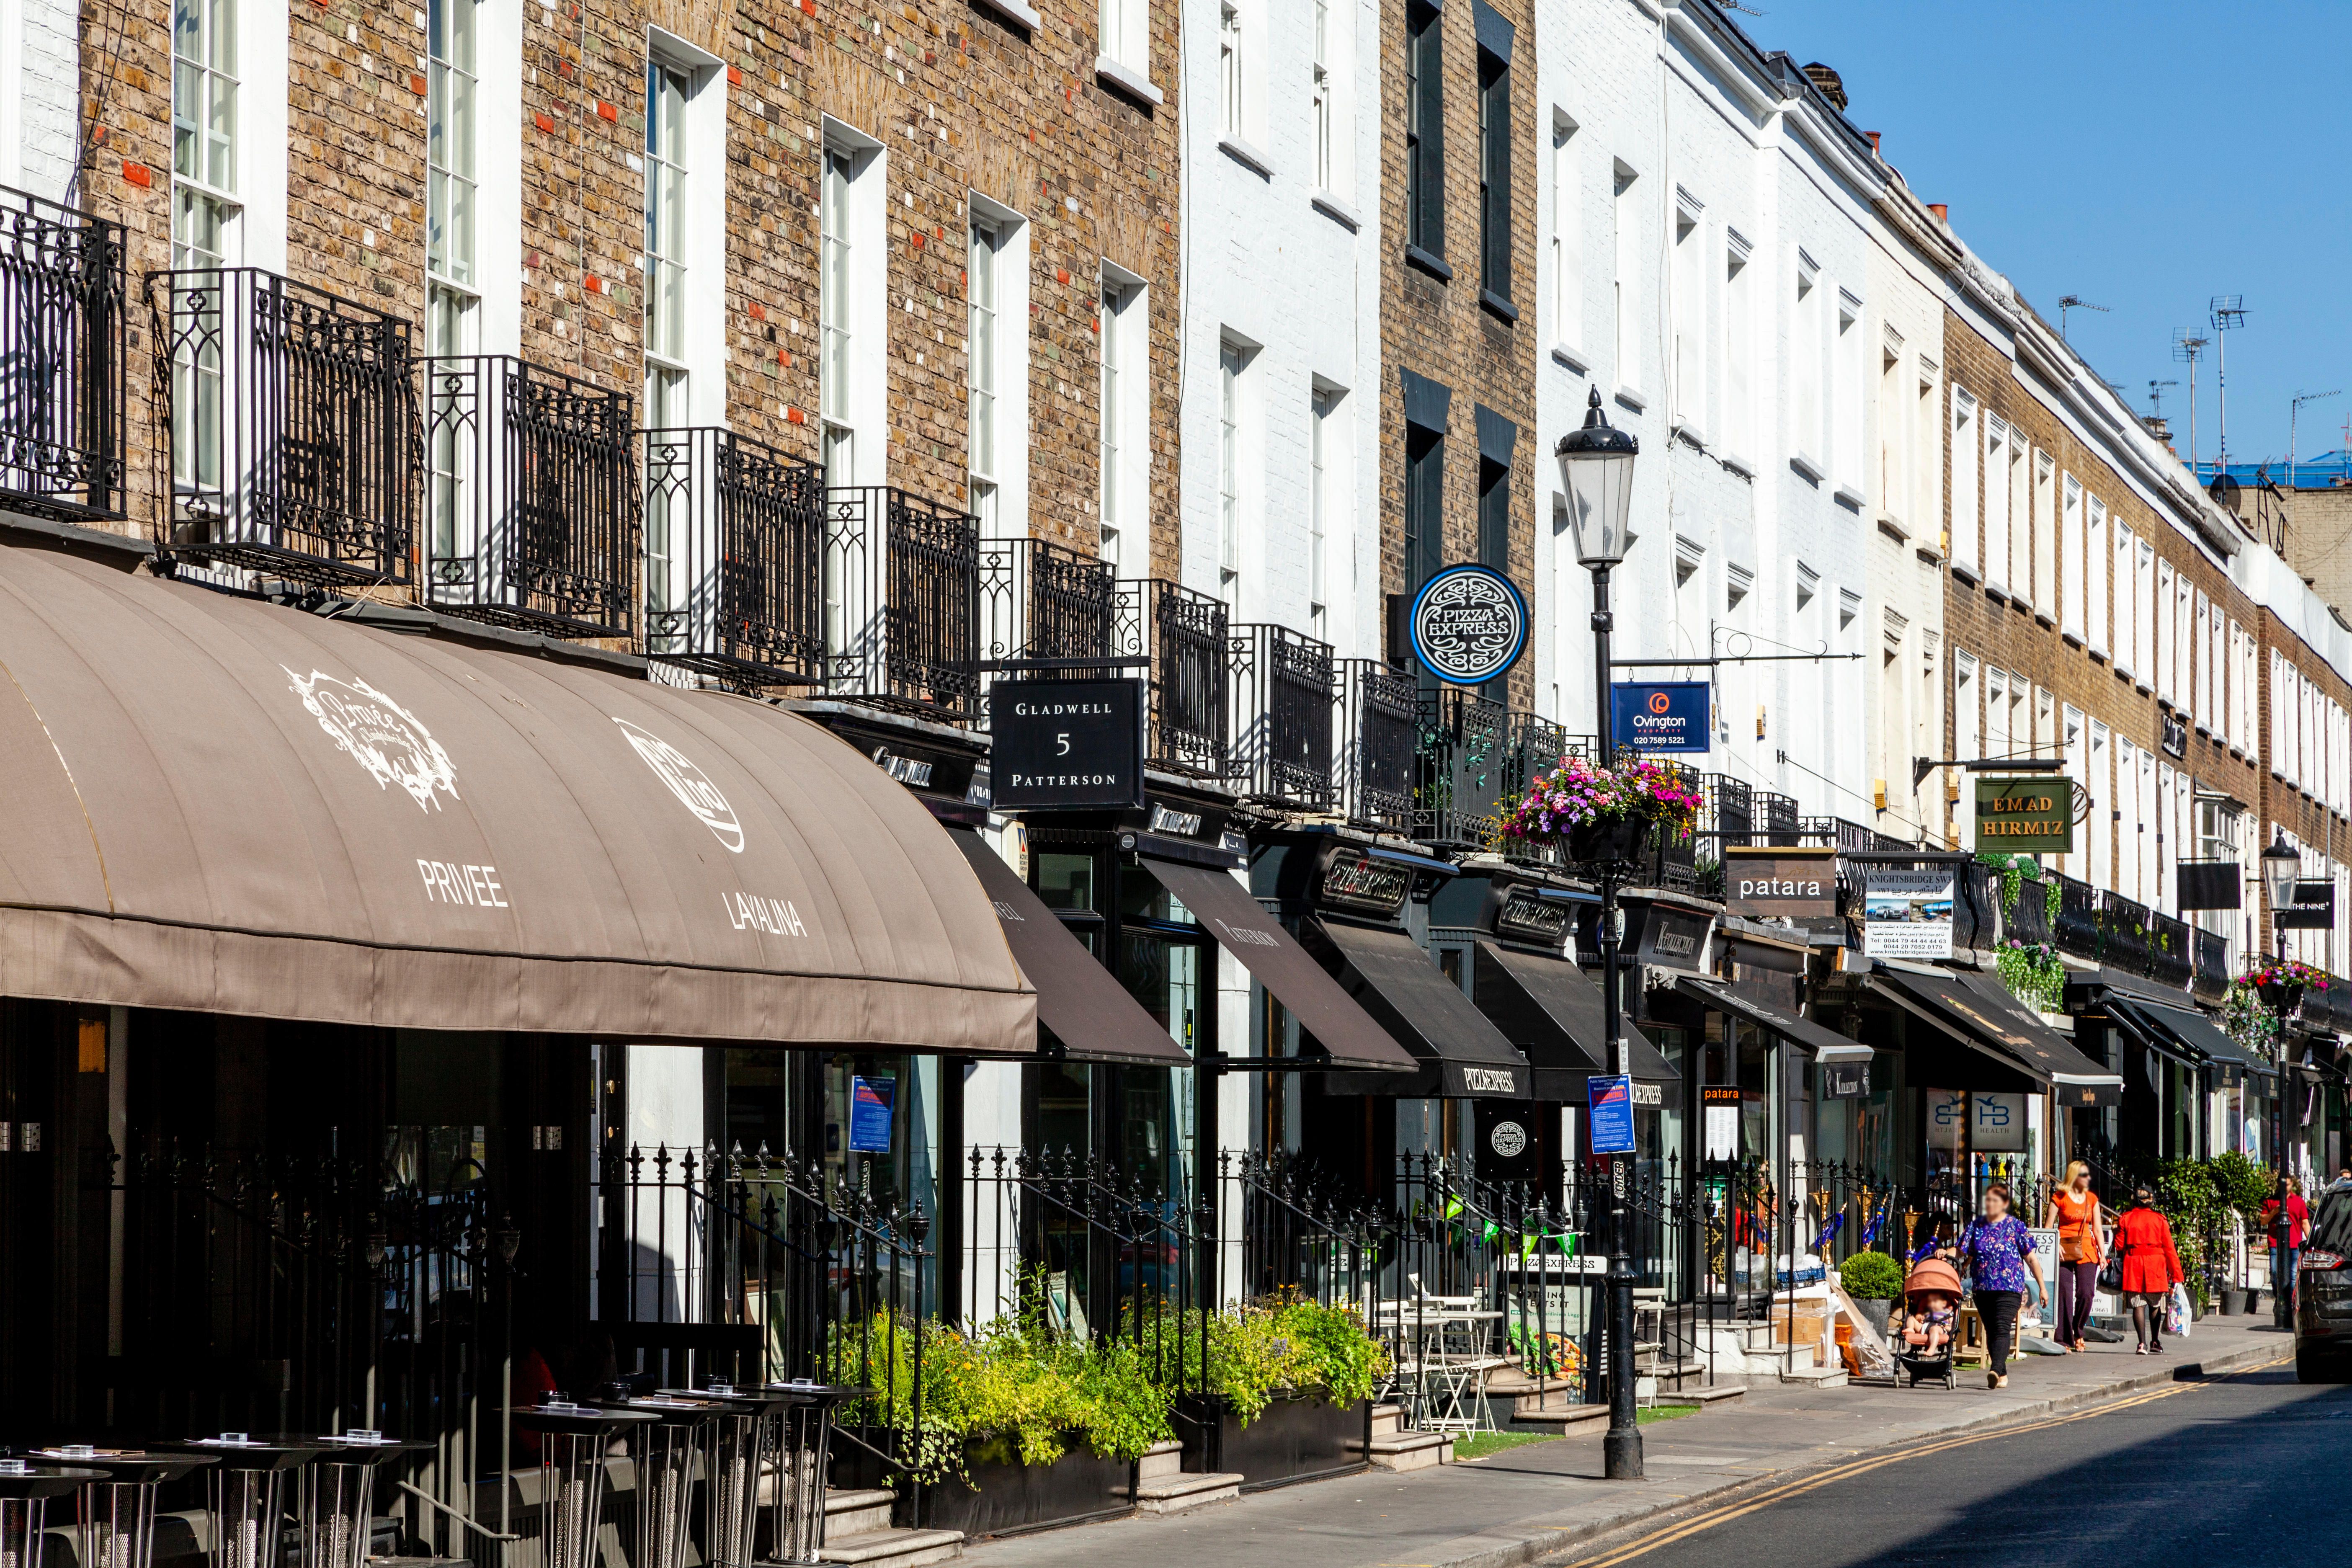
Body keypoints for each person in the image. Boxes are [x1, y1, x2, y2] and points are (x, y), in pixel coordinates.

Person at [1956, 1183, 2044, 1389]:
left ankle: (1995, 1369)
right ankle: (2002, 1375)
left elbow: (2031, 1259)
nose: (1990, 1204)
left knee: (2002, 1328)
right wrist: (1945, 1253)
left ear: (2005, 1204)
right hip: (1983, 1287)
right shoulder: (1976, 1226)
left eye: (1995, 1200)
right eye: (1988, 1200)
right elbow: (1961, 1251)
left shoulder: (2016, 1226)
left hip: (2010, 1287)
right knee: (1992, 1329)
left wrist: (2043, 1287)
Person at [2115, 1184, 2187, 1354]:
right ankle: (2155, 1342)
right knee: (2155, 1306)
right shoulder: (2160, 1220)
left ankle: (2142, 1344)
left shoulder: (2126, 1218)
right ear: (2152, 1200)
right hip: (2155, 1266)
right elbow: (2170, 1249)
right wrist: (2177, 1275)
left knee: (2138, 1306)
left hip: (2134, 1265)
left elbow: (2119, 1245)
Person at [2045, 1160, 2105, 1352]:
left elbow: (2097, 1228)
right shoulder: (2059, 1197)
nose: (2087, 1178)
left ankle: (2078, 1331)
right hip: (2064, 1248)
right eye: (2083, 1175)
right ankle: (2063, 1338)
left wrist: (2103, 1254)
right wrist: (2056, 1245)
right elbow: (2048, 1228)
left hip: (2087, 1248)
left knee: (2086, 1293)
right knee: (2064, 1292)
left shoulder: (2092, 1199)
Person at [2261, 1176, 2310, 1316]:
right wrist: (2274, 1212)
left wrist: (2311, 1241)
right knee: (2275, 1273)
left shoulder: (2299, 1202)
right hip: (2275, 1244)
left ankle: (2290, 1304)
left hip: (2294, 1245)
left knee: (2293, 1275)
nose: (2285, 1188)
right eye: (2283, 1185)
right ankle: (2280, 1298)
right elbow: (2263, 1221)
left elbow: (2305, 1223)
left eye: (2288, 1185)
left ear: (2292, 1185)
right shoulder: (2270, 1201)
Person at [1903, 1290, 1957, 1354]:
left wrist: (1948, 1328)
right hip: (1924, 1327)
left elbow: (1951, 1325)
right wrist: (1919, 1317)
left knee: (1934, 1329)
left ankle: (1932, 1349)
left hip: (1939, 1327)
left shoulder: (1948, 1313)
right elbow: (1920, 1319)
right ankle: (1911, 1329)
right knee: (1911, 1318)